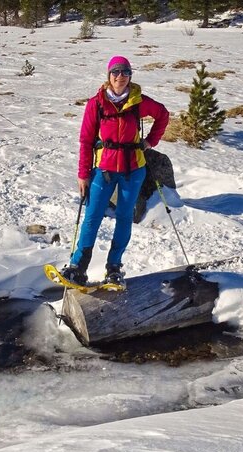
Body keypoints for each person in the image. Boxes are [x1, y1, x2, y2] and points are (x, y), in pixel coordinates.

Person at [61, 56, 170, 286]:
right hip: (104, 169)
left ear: (130, 75)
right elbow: (85, 140)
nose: (120, 76)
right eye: (116, 72)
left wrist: (151, 141)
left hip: (134, 170)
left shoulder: (138, 101)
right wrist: (83, 174)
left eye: (125, 72)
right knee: (92, 216)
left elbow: (162, 114)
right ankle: (78, 267)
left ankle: (114, 268)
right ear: (108, 75)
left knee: (123, 218)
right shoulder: (97, 103)